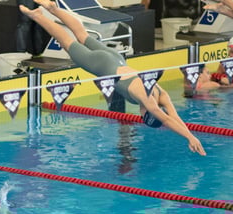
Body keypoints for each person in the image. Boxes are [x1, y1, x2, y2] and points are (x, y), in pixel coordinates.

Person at [19, 0, 207, 156]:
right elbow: (167, 120)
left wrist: (191, 135)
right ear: (147, 115)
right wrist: (189, 138)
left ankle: (53, 8)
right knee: (67, 42)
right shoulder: (148, 101)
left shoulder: (161, 94)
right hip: (103, 65)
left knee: (82, 34)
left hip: (117, 59)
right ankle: (39, 16)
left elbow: (174, 117)